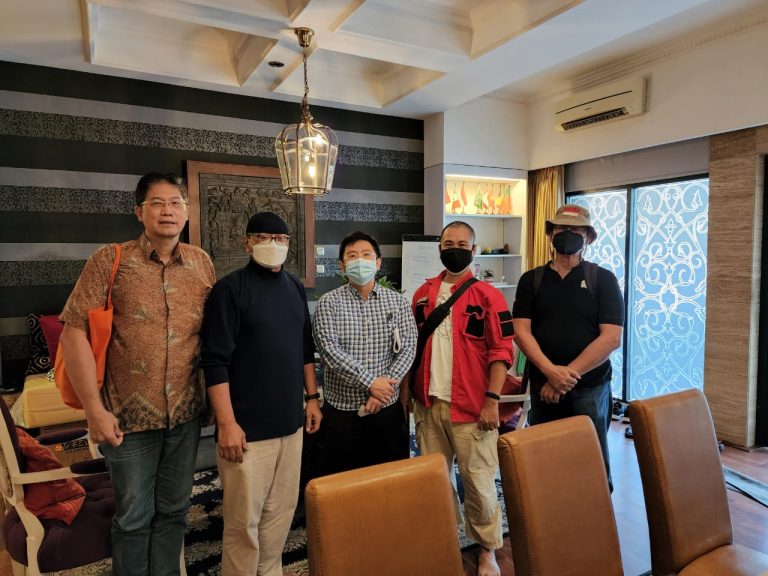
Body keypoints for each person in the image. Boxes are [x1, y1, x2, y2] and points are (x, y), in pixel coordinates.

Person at [59, 172, 215, 575]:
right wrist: (93, 410)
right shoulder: (110, 260)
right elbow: (74, 332)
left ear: (187, 211)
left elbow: (213, 335)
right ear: (139, 212)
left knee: (175, 513)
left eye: (176, 203)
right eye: (157, 203)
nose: (168, 210)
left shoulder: (201, 263)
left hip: (185, 415)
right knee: (133, 519)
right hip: (126, 421)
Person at [200, 211, 321, 576]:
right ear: (247, 243)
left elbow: (305, 348)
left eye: (280, 239)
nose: (273, 244)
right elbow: (214, 361)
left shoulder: (294, 287)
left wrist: (312, 398)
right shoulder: (229, 290)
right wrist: (226, 424)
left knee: (280, 514)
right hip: (247, 430)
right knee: (243, 524)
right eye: (263, 238)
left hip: (291, 424)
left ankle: (270, 571)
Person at [407, 221, 514, 576]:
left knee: (479, 482)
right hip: (428, 404)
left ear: (474, 249)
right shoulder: (422, 295)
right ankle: (445, 539)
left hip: (472, 408)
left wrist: (492, 401)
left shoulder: (489, 296)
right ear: (439, 248)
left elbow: (501, 351)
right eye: (448, 243)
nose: (455, 249)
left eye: (462, 244)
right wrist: (409, 396)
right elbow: (411, 349)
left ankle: (488, 550)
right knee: (436, 482)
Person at [512, 204, 624, 490]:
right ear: (551, 234)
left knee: (591, 461)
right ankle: (549, 512)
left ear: (588, 237)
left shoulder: (603, 279)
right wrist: (550, 372)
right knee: (545, 459)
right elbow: (521, 331)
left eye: (576, 230)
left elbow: (611, 338)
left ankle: (595, 514)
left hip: (589, 388)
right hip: (543, 388)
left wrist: (563, 377)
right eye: (561, 228)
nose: (568, 234)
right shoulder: (531, 280)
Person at [313, 230, 417, 474]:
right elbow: (329, 350)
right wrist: (371, 383)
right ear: (342, 266)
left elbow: (408, 347)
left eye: (366, 254)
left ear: (378, 263)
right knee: (344, 480)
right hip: (343, 412)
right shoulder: (329, 303)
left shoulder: (397, 302)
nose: (360, 260)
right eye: (352, 256)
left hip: (387, 410)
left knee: (389, 478)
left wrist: (382, 391)